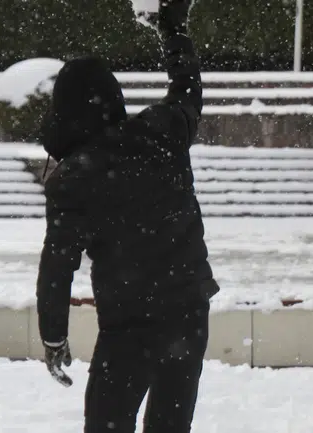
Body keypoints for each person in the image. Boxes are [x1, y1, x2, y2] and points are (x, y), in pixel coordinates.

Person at [35, 1, 220, 432]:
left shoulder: (72, 179)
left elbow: (58, 264)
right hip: (190, 309)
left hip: (129, 322)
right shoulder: (163, 131)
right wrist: (173, 31)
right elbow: (187, 89)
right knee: (171, 424)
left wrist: (54, 334)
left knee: (107, 422)